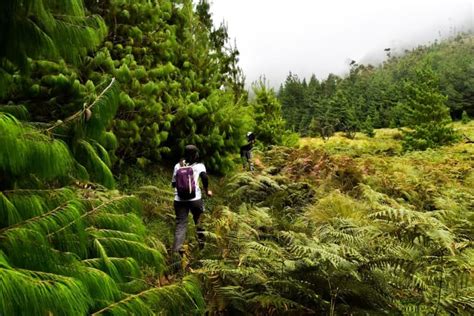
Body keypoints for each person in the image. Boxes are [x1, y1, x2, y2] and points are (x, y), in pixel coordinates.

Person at [171, 144, 212, 255]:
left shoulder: (177, 166)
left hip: (179, 200)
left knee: (181, 224)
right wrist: (207, 190)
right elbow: (204, 177)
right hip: (195, 199)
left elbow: (173, 184)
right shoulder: (200, 166)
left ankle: (176, 252)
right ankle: (202, 248)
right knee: (199, 221)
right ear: (196, 154)